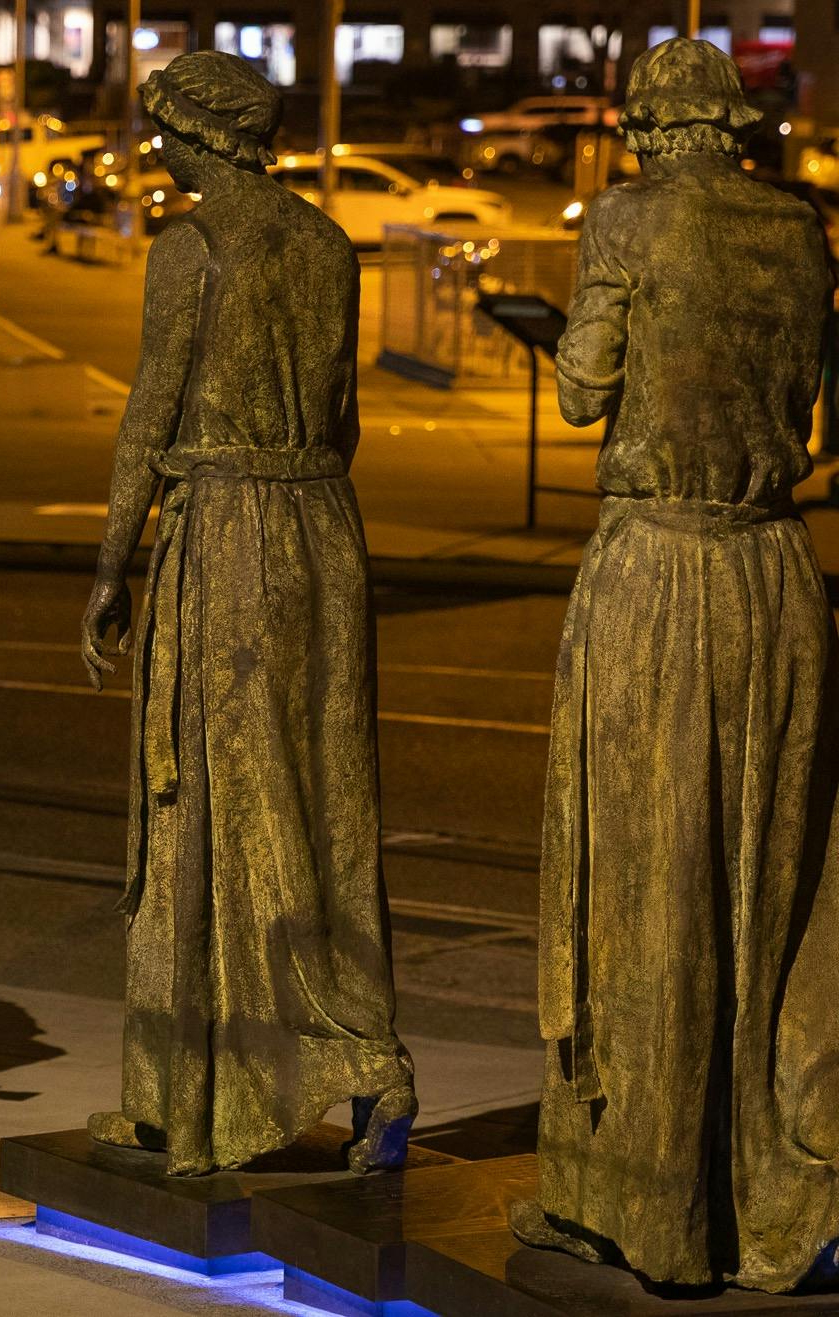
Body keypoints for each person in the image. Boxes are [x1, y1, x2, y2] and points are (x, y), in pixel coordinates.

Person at [509, 39, 839, 1293]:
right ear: (736, 126)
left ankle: (641, 1205)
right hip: (774, 577)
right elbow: (797, 405)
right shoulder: (794, 230)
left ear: (647, 128)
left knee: (641, 887)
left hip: (655, 572)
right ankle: (769, 1191)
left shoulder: (629, 222)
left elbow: (582, 393)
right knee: (770, 892)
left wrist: (594, 329)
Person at [78, 51, 416, 1177]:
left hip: (223, 532)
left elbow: (147, 412)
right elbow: (342, 412)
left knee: (217, 808)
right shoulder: (324, 243)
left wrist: (109, 565)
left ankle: (233, 1087)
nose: (156, 151)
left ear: (208, 139)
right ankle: (348, 1061)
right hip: (323, 528)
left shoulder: (194, 247)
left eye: (166, 131)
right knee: (324, 803)